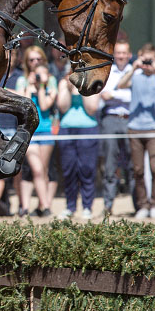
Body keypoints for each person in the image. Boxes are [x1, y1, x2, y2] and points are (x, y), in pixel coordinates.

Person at [116, 43, 155, 219]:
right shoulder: (136, 76)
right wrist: (133, 68)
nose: (148, 63)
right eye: (145, 59)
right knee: (138, 170)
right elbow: (120, 85)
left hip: (154, 128)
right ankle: (142, 205)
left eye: (151, 59)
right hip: (135, 128)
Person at [55, 57, 101, 220]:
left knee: (87, 170)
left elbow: (92, 108)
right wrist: (68, 88)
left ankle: (87, 207)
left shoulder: (93, 83)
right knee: (69, 170)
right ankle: (70, 207)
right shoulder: (63, 83)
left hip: (88, 129)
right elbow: (63, 107)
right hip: (67, 129)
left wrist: (82, 88)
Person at [15, 46, 57, 217]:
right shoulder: (22, 80)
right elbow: (22, 106)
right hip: (29, 132)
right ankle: (46, 206)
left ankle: (41, 206)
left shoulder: (51, 81)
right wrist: (29, 86)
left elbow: (46, 105)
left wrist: (40, 87)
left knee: (44, 170)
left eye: (38, 59)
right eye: (31, 60)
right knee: (37, 169)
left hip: (46, 131)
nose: (35, 63)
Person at [99, 40, 133, 216]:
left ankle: (138, 206)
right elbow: (104, 95)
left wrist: (114, 93)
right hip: (110, 119)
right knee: (110, 164)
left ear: (129, 54)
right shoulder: (108, 71)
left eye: (123, 53)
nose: (120, 56)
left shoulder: (135, 70)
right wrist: (123, 94)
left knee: (133, 164)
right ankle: (108, 205)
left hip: (130, 119)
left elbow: (135, 97)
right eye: (118, 53)